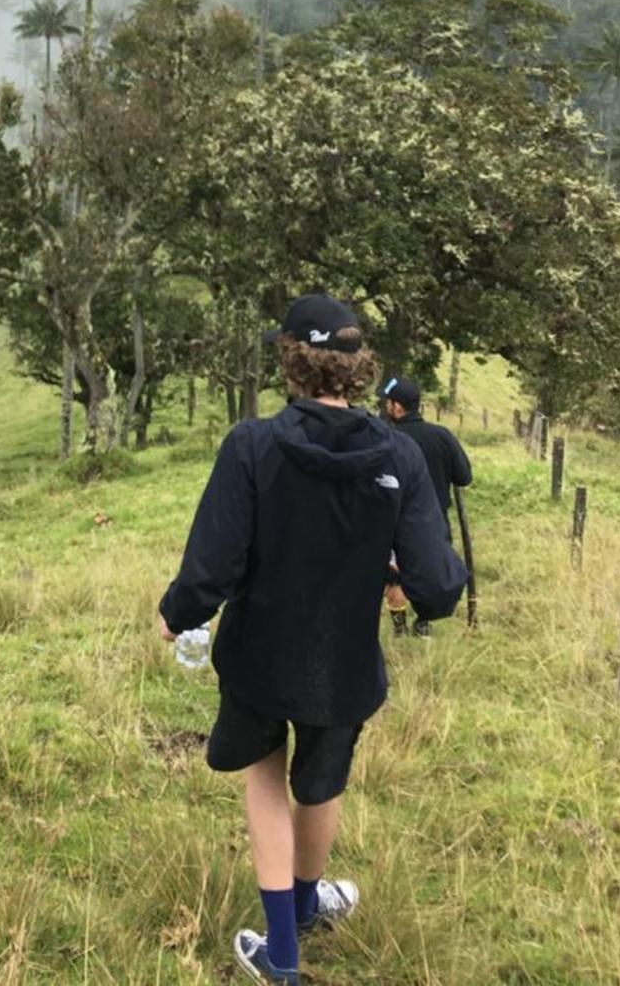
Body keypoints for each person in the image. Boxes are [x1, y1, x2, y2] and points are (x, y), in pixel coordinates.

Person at [158, 295, 466, 985]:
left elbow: (212, 566)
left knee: (266, 777)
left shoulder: (251, 446)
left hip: (259, 655)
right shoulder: (399, 457)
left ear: (291, 360)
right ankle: (304, 907)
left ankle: (282, 954)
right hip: (345, 664)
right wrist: (415, 573)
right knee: (320, 786)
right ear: (358, 369)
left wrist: (177, 613)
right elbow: (438, 585)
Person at [377, 373, 473, 639]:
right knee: (430, 570)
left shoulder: (386, 439)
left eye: (388, 403)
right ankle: (424, 622)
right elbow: (464, 477)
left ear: (397, 407)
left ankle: (399, 628)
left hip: (395, 521)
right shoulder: (441, 436)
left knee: (395, 574)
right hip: (435, 520)